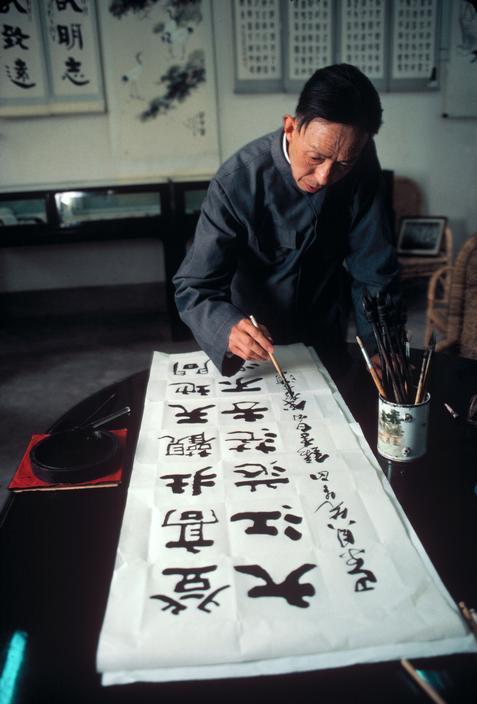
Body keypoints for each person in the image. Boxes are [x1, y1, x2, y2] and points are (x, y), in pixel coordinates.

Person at [173, 63, 400, 377]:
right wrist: (226, 327)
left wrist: (380, 347)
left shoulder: (361, 162)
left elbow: (374, 269)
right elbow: (195, 286)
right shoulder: (237, 181)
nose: (324, 177)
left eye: (343, 164)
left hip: (326, 328)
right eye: (316, 157)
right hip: (255, 339)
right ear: (291, 128)